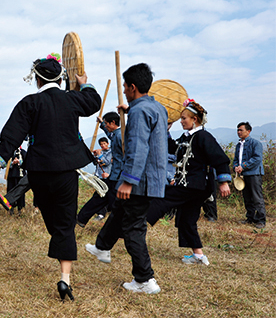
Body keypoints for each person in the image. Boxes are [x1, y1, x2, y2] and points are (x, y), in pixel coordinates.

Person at [0, 53, 101, 301]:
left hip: (39, 173)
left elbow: (12, 133)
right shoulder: (72, 99)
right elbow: (93, 102)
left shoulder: (29, 103)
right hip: (66, 172)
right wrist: (84, 82)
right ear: (61, 78)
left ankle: (59, 245)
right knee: (65, 223)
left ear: (37, 80)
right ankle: (65, 278)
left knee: (54, 222)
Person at [85, 63, 167, 295]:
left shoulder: (140, 112)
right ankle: (102, 247)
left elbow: (138, 147)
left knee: (133, 228)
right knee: (120, 210)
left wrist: (129, 181)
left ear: (132, 87)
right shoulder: (156, 108)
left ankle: (144, 279)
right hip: (152, 178)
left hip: (140, 181)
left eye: (124, 86)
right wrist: (131, 109)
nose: (124, 89)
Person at [146, 99, 231, 266]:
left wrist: (223, 182)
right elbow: (173, 148)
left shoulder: (204, 137)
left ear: (195, 119)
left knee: (160, 198)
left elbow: (219, 158)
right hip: (191, 186)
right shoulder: (187, 138)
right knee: (186, 219)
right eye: (181, 118)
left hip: (194, 185)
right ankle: (199, 256)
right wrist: (163, 129)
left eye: (185, 118)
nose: (182, 121)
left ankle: (131, 227)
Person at [77, 112, 122, 227]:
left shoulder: (120, 136)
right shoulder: (116, 134)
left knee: (113, 204)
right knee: (100, 197)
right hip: (114, 176)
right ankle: (81, 219)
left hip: (117, 177)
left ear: (113, 123)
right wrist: (101, 123)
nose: (106, 126)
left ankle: (118, 229)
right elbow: (110, 134)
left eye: (107, 124)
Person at [234, 122, 266, 228]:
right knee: (247, 197)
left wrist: (243, 166)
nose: (239, 132)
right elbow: (236, 159)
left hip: (254, 173)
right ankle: (250, 218)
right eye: (238, 130)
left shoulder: (255, 143)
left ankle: (261, 220)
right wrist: (236, 166)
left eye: (241, 130)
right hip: (244, 174)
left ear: (248, 131)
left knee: (257, 197)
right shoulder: (238, 145)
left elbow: (257, 158)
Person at [5, 147, 27, 214]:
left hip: (20, 176)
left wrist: (19, 162)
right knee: (10, 190)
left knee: (20, 191)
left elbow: (26, 163)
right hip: (11, 175)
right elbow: (5, 163)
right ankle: (10, 208)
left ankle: (20, 208)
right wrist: (12, 163)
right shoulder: (10, 152)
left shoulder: (23, 152)